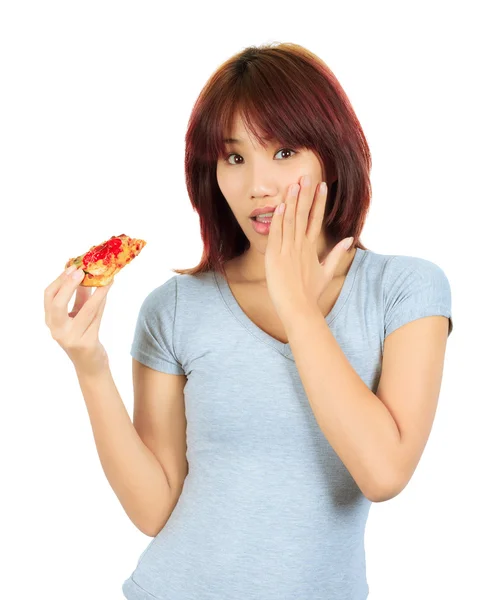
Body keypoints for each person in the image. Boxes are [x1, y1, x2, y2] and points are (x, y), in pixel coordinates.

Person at [44, 42, 453, 600]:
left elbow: (383, 473)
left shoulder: (405, 289)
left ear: (331, 154)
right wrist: (89, 365)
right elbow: (154, 509)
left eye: (283, 151)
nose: (257, 183)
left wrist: (298, 306)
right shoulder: (175, 307)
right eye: (234, 158)